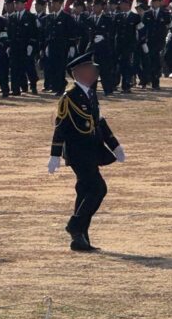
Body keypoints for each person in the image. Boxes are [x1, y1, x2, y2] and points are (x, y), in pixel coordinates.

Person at [47, 52, 125, 251]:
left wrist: (114, 145)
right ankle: (75, 225)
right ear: (79, 73)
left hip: (92, 150)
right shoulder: (70, 97)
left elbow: (99, 122)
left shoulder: (90, 93)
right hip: (78, 152)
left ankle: (80, 239)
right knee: (98, 189)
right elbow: (61, 126)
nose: (95, 73)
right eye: (91, 69)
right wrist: (55, 154)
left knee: (84, 191)